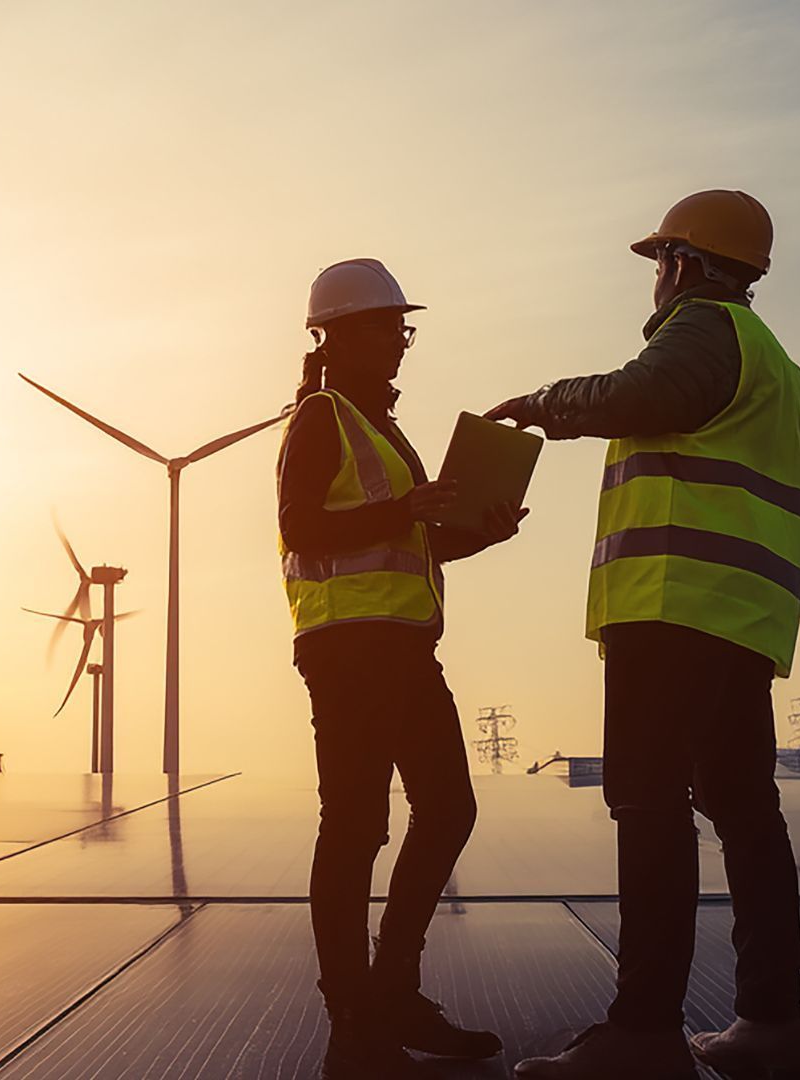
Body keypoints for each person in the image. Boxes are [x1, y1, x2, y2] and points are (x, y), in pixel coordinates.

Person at [488, 192, 800, 1080]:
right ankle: (772, 1026)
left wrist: (548, 401)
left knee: (648, 803)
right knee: (746, 813)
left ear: (687, 261)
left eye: (662, 259)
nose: (658, 278)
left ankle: (643, 1033)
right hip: (741, 617)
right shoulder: (777, 363)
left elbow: (648, 392)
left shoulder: (703, 330)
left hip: (675, 606)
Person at [278, 258, 527, 1079]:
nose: (400, 342)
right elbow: (302, 529)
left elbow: (406, 541)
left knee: (447, 808)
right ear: (338, 335)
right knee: (355, 829)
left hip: (404, 647)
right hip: (347, 651)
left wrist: (479, 532)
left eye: (402, 327)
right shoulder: (319, 417)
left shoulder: (381, 429)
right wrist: (405, 509)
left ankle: (393, 992)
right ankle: (355, 1031)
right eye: (387, 326)